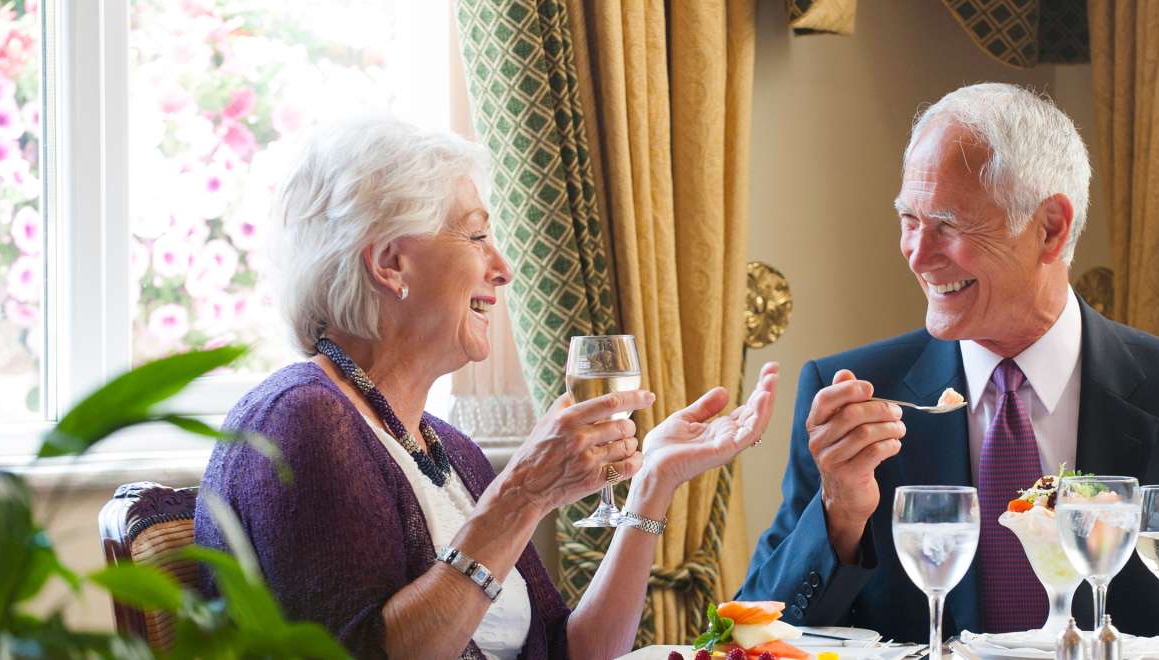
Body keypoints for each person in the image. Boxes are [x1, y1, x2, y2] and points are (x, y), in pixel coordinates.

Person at [195, 116, 779, 660]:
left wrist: (652, 484)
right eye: (477, 236)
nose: (503, 268)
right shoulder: (299, 420)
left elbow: (572, 651)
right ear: (390, 263)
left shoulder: (448, 449)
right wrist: (522, 495)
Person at [738, 83, 1159, 645]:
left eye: (948, 224)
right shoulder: (858, 398)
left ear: (1050, 228)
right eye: (910, 219)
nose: (918, 253)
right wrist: (840, 514)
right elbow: (754, 634)